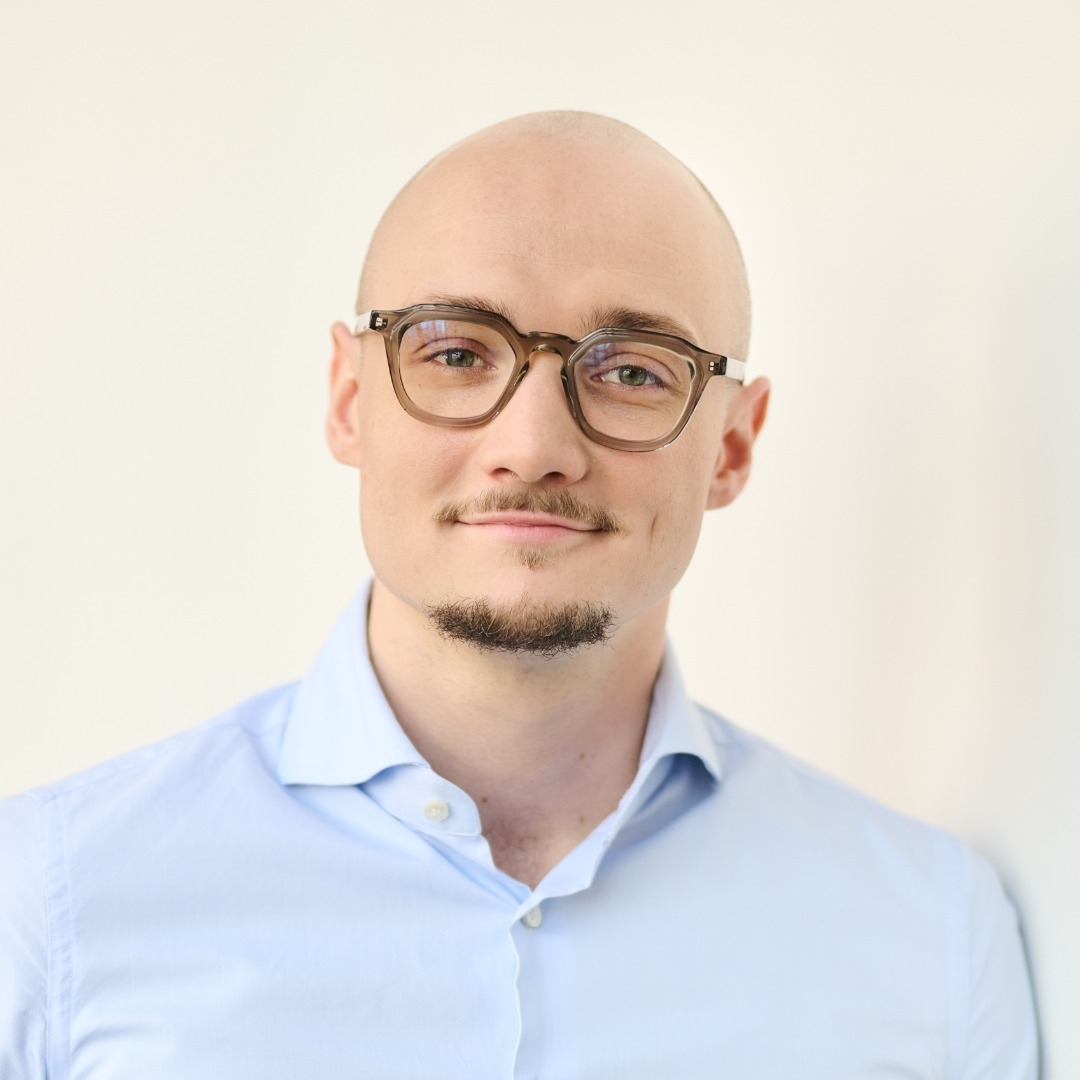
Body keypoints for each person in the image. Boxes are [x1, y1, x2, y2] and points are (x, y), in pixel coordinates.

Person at [0, 111, 1037, 1078]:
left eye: (633, 371)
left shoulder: (935, 942)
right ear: (350, 399)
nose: (534, 444)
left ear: (731, 444)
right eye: (455, 351)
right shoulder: (51, 904)